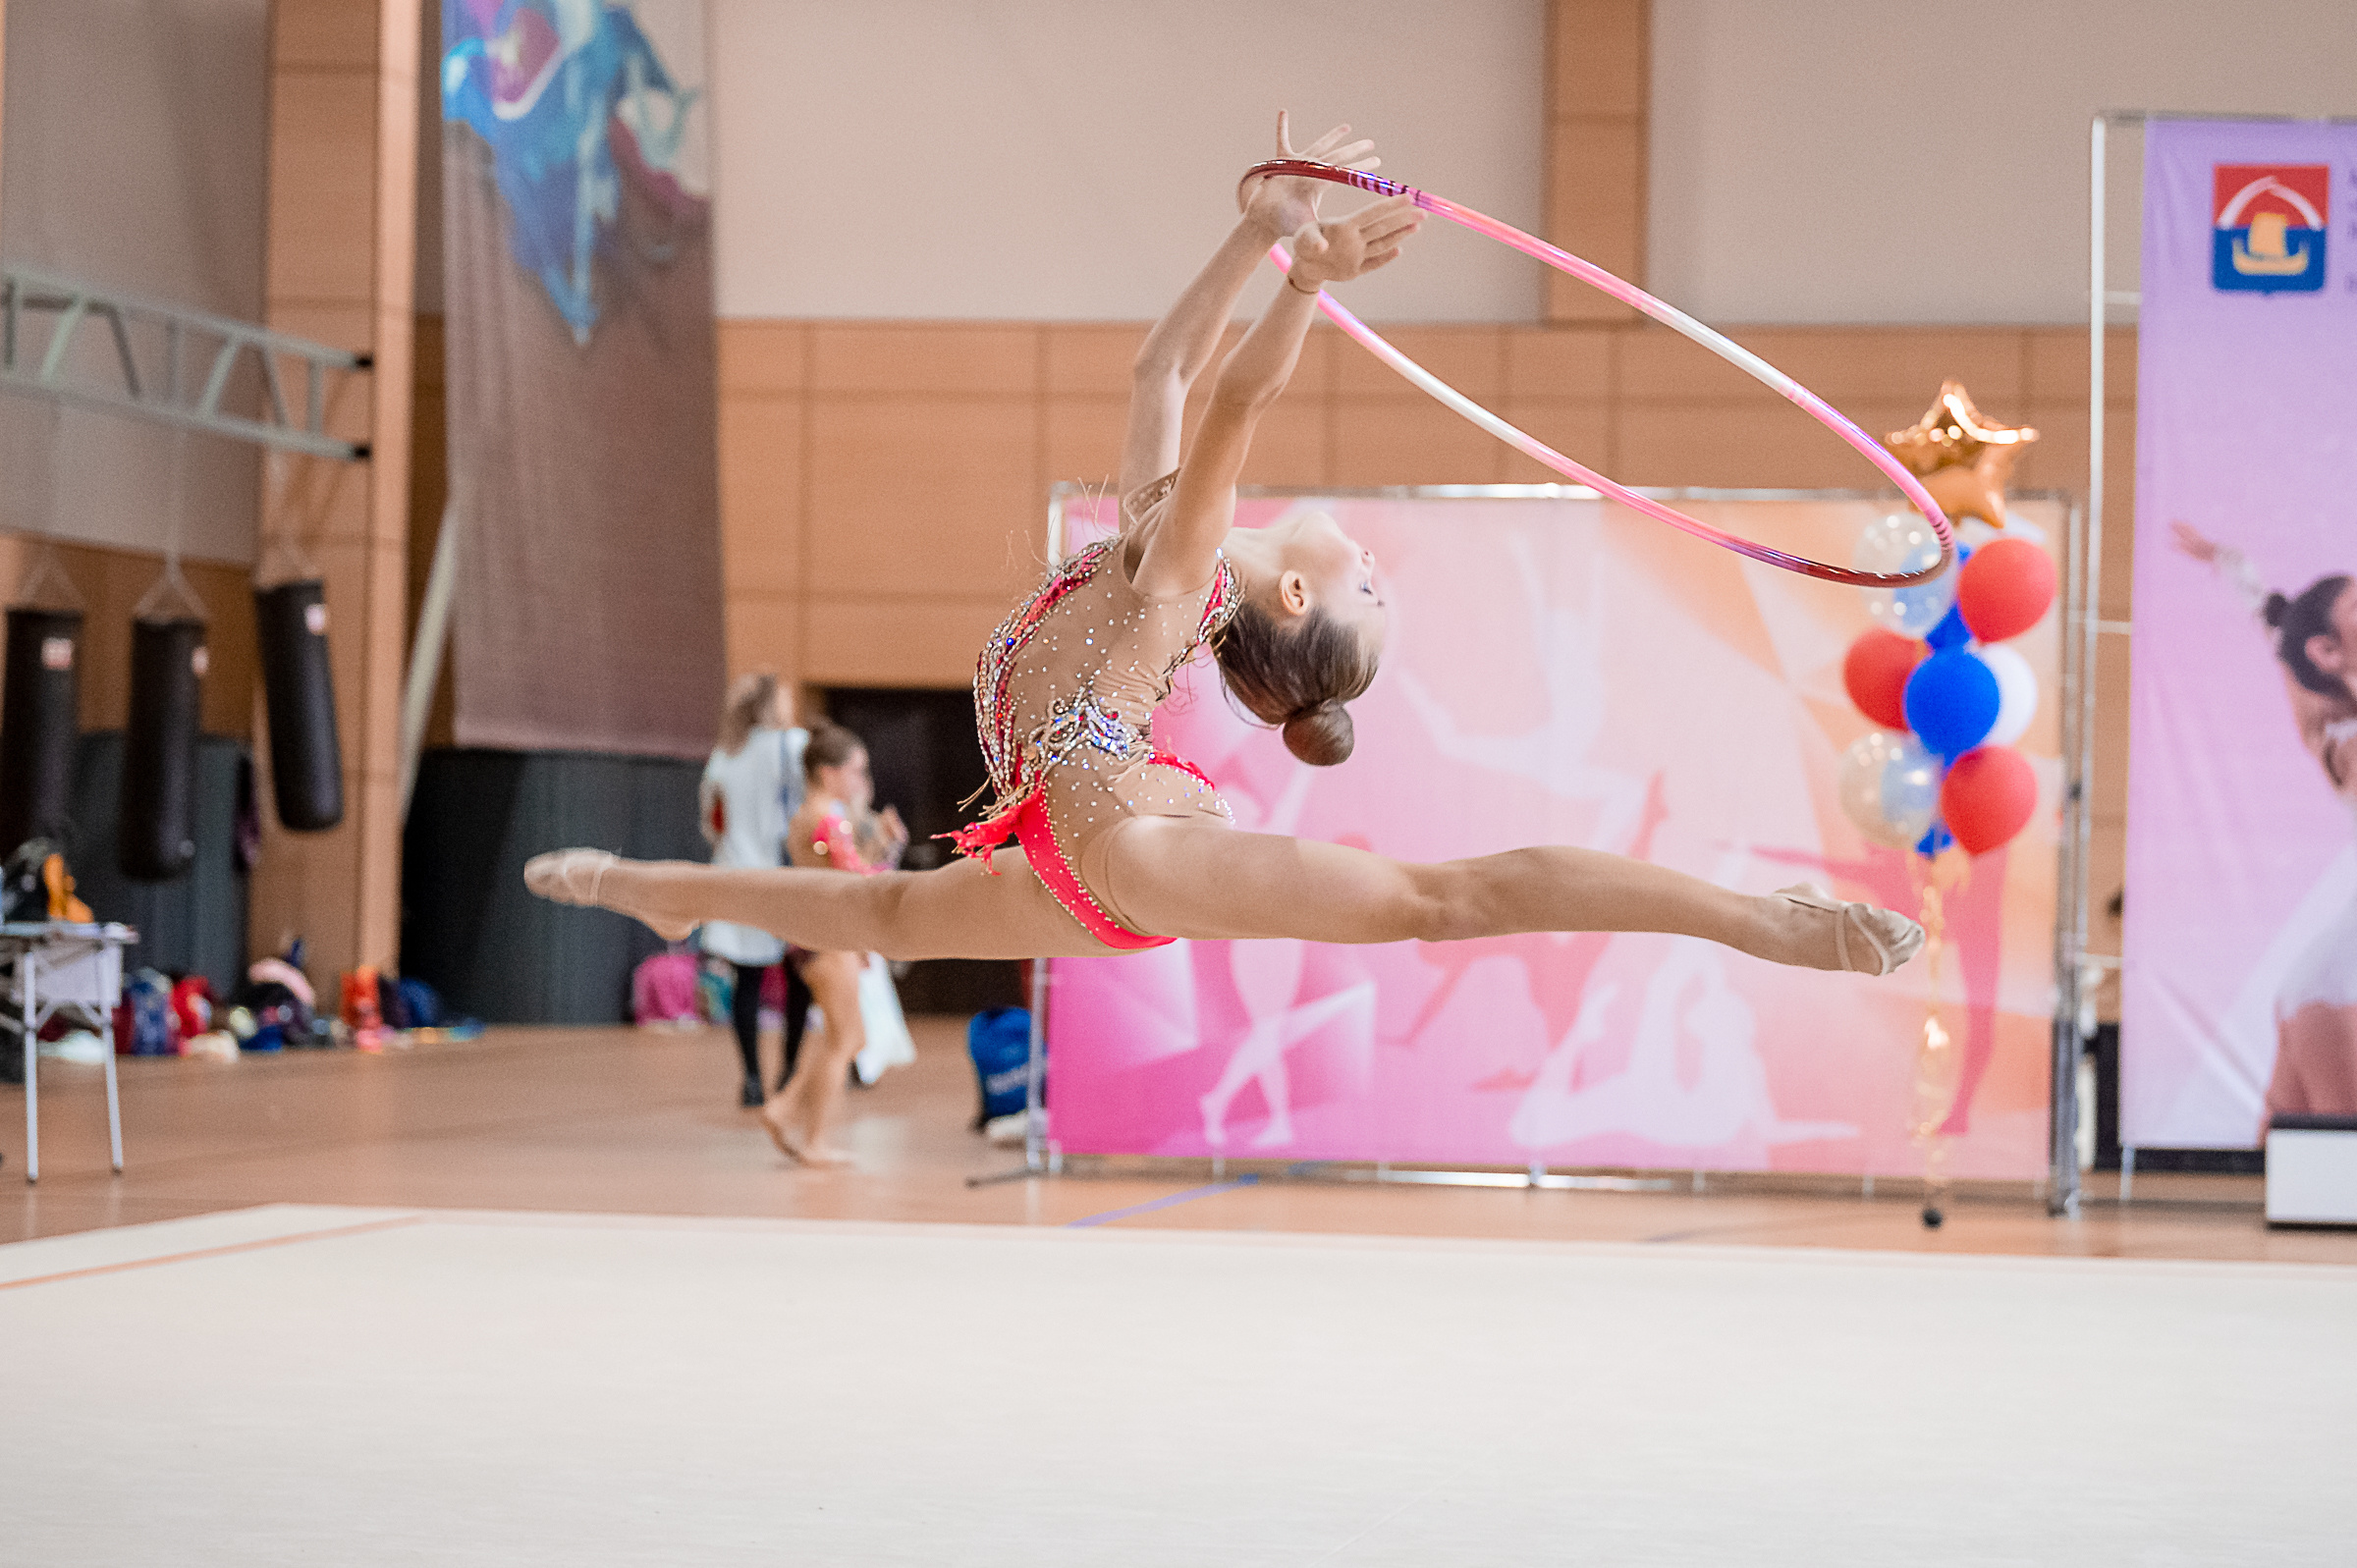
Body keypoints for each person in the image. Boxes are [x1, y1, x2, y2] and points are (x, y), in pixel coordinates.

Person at [525, 115, 1922, 1017]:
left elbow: (1233, 403)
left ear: (1295, 598)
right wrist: (1254, 229)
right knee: (886, 913)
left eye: (1369, 587)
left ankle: (1762, 922)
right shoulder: (1151, 538)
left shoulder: (1188, 567)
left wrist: (1305, 283)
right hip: (1066, 862)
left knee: (1447, 899)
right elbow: (1166, 365)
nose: (1377, 559)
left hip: (1124, 851)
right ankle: (666, 886)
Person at [2172, 523, 2357, 1124]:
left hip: (2325, 984)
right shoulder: (2341, 741)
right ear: (2329, 652)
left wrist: (2232, 566)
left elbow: (2277, 624)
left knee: (2294, 1133)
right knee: (2325, 1149)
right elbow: (2284, 636)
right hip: (2336, 989)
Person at [759, 722, 908, 1166]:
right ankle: (812, 1139)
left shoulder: (817, 816)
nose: (861, 781)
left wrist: (881, 845)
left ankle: (785, 1109)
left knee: (846, 1037)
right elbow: (857, 877)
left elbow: (850, 871)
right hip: (826, 941)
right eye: (856, 771)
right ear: (829, 773)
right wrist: (888, 859)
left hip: (822, 935)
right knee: (844, 1041)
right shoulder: (827, 818)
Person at [698, 673, 813, 1108]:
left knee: (746, 980)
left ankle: (750, 1078)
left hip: (736, 876)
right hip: (785, 877)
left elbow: (711, 820)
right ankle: (788, 1072)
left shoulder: (724, 756)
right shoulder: (793, 745)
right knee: (797, 978)